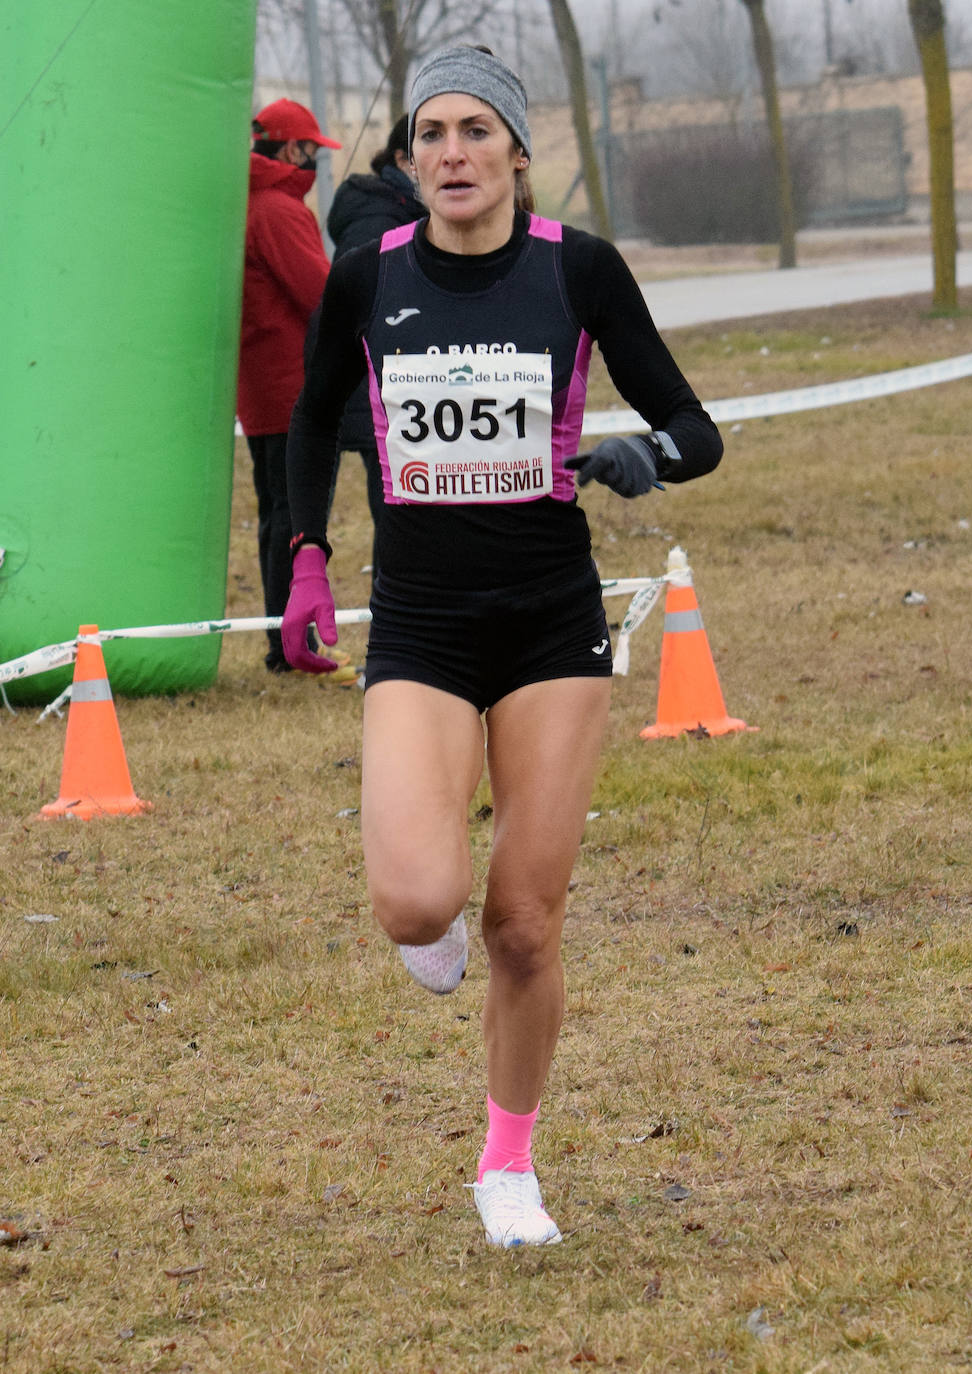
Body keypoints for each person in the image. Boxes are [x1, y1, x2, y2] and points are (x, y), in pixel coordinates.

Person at [281, 46, 723, 1247]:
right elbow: (313, 413)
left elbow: (695, 428)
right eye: (432, 134)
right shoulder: (365, 277)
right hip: (421, 622)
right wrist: (305, 556)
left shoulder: (576, 271)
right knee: (417, 904)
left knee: (524, 923)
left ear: (518, 152)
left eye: (478, 131)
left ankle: (507, 1164)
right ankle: (431, 929)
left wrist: (650, 457)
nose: (453, 154)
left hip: (548, 623)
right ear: (409, 155)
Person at [236, 98, 343, 674]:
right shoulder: (278, 210)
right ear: (291, 148)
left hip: (261, 388)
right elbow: (321, 295)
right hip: (291, 388)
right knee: (299, 519)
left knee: (277, 515)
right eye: (311, 150)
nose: (316, 163)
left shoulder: (249, 202)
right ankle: (290, 644)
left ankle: (282, 643)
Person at [317, 114, 422, 580]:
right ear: (401, 159)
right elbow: (360, 312)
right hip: (372, 387)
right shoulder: (379, 220)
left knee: (401, 516)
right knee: (399, 517)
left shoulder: (395, 208)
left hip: (380, 387)